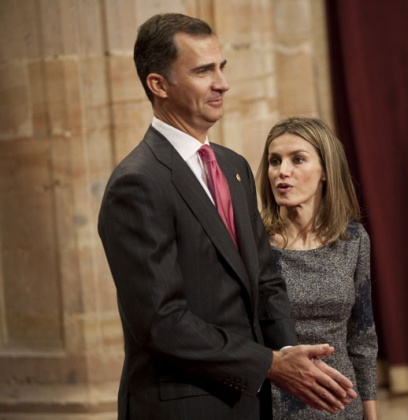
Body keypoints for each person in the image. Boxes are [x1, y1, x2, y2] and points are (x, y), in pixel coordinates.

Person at [98, 13, 357, 420]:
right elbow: (161, 322)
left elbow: (266, 279)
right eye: (204, 71)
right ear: (159, 84)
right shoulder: (137, 183)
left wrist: (291, 355)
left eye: (221, 67)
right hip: (185, 406)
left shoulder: (233, 165)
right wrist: (269, 365)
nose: (222, 83)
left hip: (252, 403)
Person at [256, 117, 378, 419]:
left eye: (297, 159)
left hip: (341, 405)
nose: (282, 172)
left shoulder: (353, 240)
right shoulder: (253, 241)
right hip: (274, 405)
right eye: (275, 161)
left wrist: (370, 413)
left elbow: (362, 336)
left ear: (325, 170)